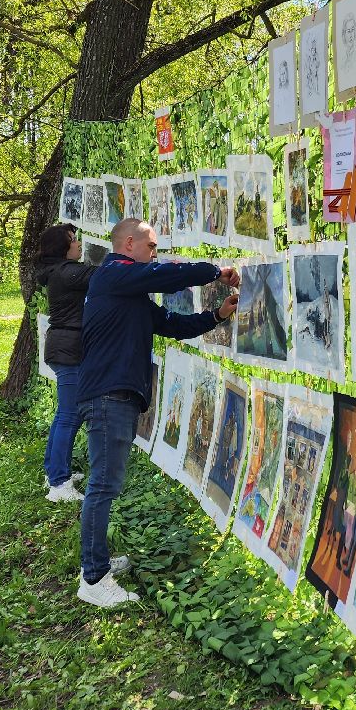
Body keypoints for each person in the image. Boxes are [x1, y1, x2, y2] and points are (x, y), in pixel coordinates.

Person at [74, 218, 240, 608]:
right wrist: (216, 271)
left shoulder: (127, 294)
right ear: (128, 244)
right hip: (108, 395)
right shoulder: (114, 273)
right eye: (150, 247)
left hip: (116, 395)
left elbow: (171, 324)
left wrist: (216, 316)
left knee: (106, 483)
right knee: (102, 484)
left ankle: (96, 562)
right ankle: (93, 578)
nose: (154, 255)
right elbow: (164, 276)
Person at [37, 223, 93, 502]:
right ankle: (59, 484)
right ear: (62, 248)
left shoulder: (58, 271)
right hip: (68, 350)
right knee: (70, 415)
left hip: (64, 348)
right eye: (73, 241)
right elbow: (104, 274)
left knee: (66, 414)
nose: (78, 244)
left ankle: (54, 471)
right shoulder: (68, 273)